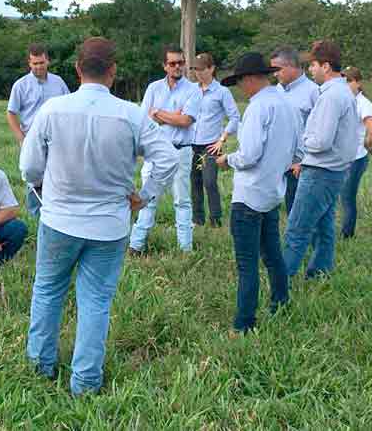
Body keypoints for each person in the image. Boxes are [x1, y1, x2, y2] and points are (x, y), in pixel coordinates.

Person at [20, 37, 178, 396]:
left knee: (47, 291)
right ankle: (86, 381)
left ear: (77, 69)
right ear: (113, 71)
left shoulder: (52, 110)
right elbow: (166, 159)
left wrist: (45, 188)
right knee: (95, 301)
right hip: (110, 224)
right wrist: (146, 194)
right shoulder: (131, 113)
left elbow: (28, 167)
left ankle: (40, 366)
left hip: (59, 219)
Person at [216, 52, 298, 333]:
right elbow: (296, 150)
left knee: (246, 264)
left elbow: (249, 155)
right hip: (273, 191)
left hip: (250, 195)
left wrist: (228, 160)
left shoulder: (257, 108)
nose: (241, 88)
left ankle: (244, 323)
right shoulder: (286, 104)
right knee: (272, 253)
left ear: (250, 79)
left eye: (240, 82)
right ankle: (281, 300)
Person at [282, 40, 359, 280]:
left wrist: (304, 141)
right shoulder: (341, 92)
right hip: (333, 170)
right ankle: (320, 272)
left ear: (326, 66)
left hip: (320, 171)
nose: (310, 70)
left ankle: (281, 282)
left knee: (296, 230)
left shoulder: (331, 96)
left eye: (313, 65)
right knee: (323, 226)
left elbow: (321, 141)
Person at [129, 45, 200, 254]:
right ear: (164, 66)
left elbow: (186, 120)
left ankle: (185, 249)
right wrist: (173, 116)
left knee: (182, 201)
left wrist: (158, 113)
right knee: (147, 199)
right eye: (172, 63)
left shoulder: (193, 90)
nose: (177, 66)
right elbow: (143, 121)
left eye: (180, 62)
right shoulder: (153, 88)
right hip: (155, 153)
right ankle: (136, 245)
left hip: (181, 151)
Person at [6, 43, 70, 216]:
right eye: (35, 63)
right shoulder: (20, 85)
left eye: (41, 63)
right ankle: (35, 217)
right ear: (29, 63)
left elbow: (68, 109)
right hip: (31, 140)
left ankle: (56, 213)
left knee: (57, 177)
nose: (38, 67)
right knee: (32, 178)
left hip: (57, 140)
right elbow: (11, 113)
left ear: (47, 61)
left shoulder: (59, 83)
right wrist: (21, 139)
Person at [188, 52, 239, 227]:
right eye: (195, 69)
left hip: (209, 146)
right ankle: (198, 219)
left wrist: (222, 139)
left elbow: (234, 117)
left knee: (209, 182)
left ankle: (215, 219)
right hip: (192, 144)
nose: (198, 73)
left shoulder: (222, 92)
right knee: (195, 182)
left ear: (211, 69)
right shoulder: (191, 90)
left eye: (202, 69)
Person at [270, 47, 319, 215]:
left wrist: (304, 160)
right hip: (276, 161)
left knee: (298, 209)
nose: (274, 74)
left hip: (300, 164)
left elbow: (318, 130)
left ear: (291, 66)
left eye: (277, 69)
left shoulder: (313, 92)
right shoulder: (275, 91)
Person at [339, 67, 372, 239]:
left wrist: (366, 145)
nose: (346, 85)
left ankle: (347, 236)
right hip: (342, 158)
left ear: (358, 82)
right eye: (343, 82)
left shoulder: (363, 103)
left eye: (349, 81)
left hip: (355, 159)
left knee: (347, 198)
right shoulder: (342, 101)